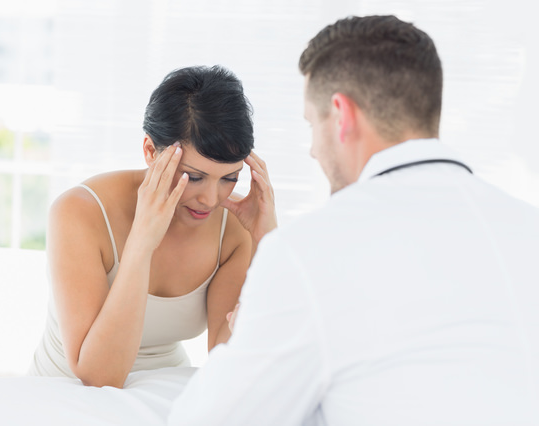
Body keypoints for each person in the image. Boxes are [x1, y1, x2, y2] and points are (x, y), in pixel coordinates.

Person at [169, 15, 539, 425]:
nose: (311, 150)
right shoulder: (528, 226)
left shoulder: (309, 250)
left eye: (313, 124)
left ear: (341, 115)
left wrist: (256, 329)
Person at [29, 65, 276, 388]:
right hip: (64, 389)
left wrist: (267, 244)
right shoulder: (80, 212)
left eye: (229, 178)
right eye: (195, 177)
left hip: (161, 387)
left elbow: (227, 356)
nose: (210, 199)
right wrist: (142, 241)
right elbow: (99, 376)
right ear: (150, 151)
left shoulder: (233, 227)